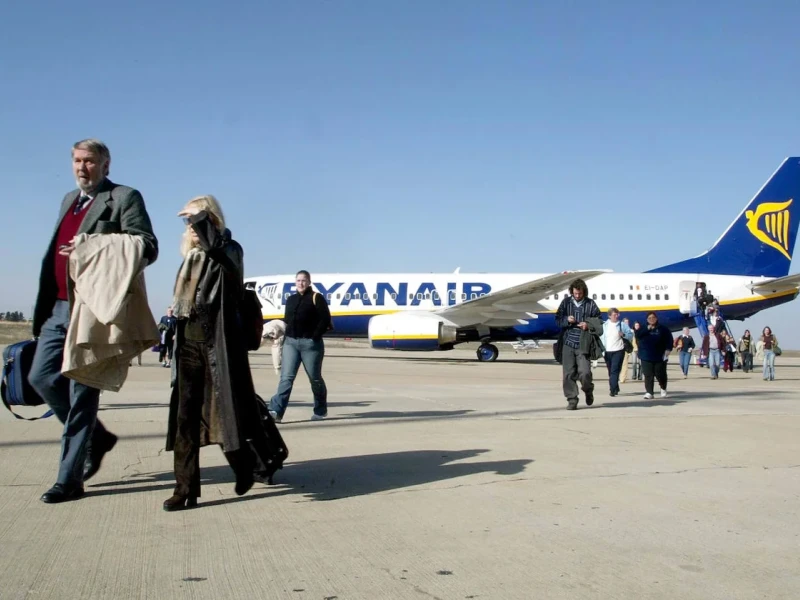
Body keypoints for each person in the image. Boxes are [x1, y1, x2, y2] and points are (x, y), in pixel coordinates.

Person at [28, 139, 158, 503]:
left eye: (89, 161)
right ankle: (96, 438)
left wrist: (93, 245)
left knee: (82, 389)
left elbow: (147, 245)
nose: (82, 167)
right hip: (57, 306)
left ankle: (68, 479)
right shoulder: (69, 200)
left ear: (105, 164)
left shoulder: (124, 197)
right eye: (76, 160)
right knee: (40, 376)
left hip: (92, 310)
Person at [164, 195, 282, 511]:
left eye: (196, 220)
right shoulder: (191, 259)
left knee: (228, 416)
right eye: (187, 222)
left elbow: (219, 253)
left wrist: (201, 218)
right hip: (188, 344)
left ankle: (247, 465)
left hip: (218, 344)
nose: (190, 226)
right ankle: (184, 488)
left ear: (211, 220)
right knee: (185, 418)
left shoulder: (230, 250)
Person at [268, 270, 332, 422]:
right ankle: (276, 411)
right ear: (295, 282)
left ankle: (320, 410)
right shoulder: (291, 299)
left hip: (310, 345)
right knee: (286, 378)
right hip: (291, 343)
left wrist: (314, 336)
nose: (301, 283)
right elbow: (288, 320)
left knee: (314, 379)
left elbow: (325, 319)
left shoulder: (317, 298)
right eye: (298, 280)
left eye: (304, 280)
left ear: (309, 282)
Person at [555, 278, 603, 410]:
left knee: (585, 372)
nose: (577, 296)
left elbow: (599, 320)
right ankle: (572, 399)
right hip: (568, 342)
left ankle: (588, 390)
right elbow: (558, 319)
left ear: (584, 292)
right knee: (568, 373)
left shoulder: (590, 304)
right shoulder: (566, 303)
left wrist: (588, 324)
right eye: (575, 293)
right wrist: (566, 319)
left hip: (583, 342)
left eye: (580, 294)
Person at [633, 312, 674, 399]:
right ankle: (649, 392)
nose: (651, 319)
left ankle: (663, 388)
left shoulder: (663, 329)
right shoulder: (643, 328)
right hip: (645, 355)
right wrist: (647, 329)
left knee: (660, 374)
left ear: (656, 319)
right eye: (649, 318)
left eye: (653, 318)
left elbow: (669, 339)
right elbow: (637, 335)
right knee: (648, 374)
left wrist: (668, 349)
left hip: (659, 355)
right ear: (647, 320)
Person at [600, 308, 633, 397]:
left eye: (618, 314)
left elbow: (630, 335)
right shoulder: (604, 325)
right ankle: (616, 386)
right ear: (609, 316)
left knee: (614, 370)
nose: (617, 316)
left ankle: (612, 389)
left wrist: (624, 335)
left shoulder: (622, 325)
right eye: (615, 314)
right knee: (611, 371)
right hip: (607, 351)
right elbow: (600, 337)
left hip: (619, 350)